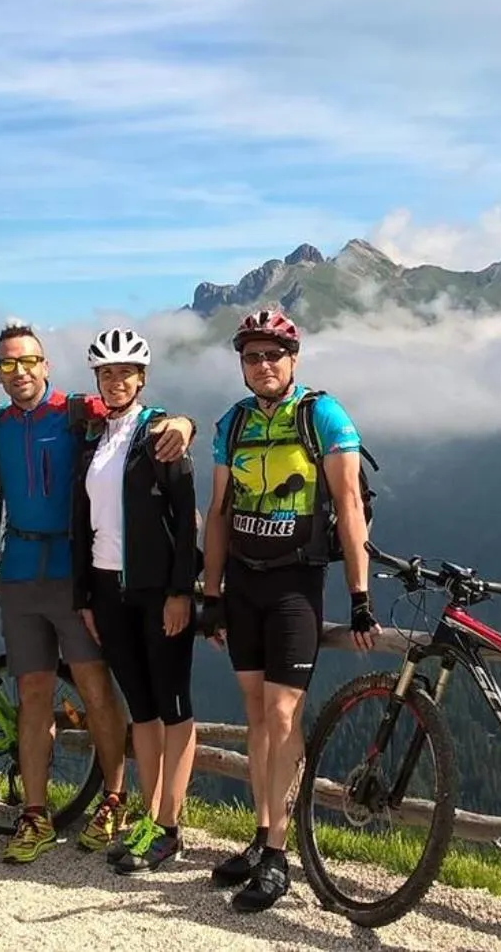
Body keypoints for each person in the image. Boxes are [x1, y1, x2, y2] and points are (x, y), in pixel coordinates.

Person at [0, 320, 196, 864]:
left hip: (75, 570)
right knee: (34, 695)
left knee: (95, 689)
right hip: (20, 571)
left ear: (46, 364)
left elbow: (147, 421)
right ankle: (35, 814)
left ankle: (114, 800)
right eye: (6, 364)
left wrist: (186, 422)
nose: (19, 372)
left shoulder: (78, 412)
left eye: (28, 361)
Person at [198, 305, 379, 913]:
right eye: (252, 356)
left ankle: (278, 856)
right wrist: (210, 594)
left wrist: (359, 596)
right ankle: (259, 836)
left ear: (293, 359)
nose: (264, 364)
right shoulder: (233, 422)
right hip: (243, 585)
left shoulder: (322, 415)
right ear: (243, 364)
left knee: (280, 716)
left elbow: (349, 506)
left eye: (274, 354)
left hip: (296, 586)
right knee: (255, 714)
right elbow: (219, 514)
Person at [69, 327, 200, 874]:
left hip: (156, 593)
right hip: (107, 590)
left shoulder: (161, 436)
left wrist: (179, 592)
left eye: (125, 372)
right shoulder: (92, 438)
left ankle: (170, 826)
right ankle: (149, 818)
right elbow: (83, 520)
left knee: (173, 709)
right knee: (142, 711)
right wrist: (85, 597)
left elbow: (186, 520)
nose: (116, 380)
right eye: (106, 373)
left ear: (142, 378)